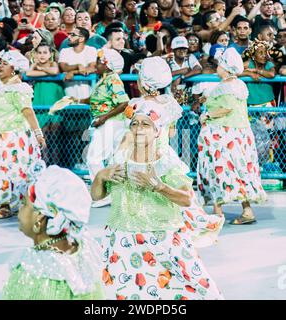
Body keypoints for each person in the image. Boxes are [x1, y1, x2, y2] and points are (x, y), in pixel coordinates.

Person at [91, 60, 224, 299]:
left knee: (166, 202)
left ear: (143, 81)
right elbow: (170, 133)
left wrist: (123, 156)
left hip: (148, 154)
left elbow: (132, 134)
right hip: (155, 150)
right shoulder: (170, 104)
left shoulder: (136, 105)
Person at [3, 164, 105, 300]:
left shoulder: (34, 271)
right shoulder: (85, 257)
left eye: (25, 204)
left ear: (40, 217)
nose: (20, 210)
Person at [197, 47, 267, 225]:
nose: (217, 68)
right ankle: (246, 209)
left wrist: (207, 115)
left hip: (223, 134)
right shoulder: (240, 85)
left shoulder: (225, 86)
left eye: (219, 65)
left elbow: (225, 108)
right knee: (240, 169)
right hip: (240, 133)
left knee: (219, 169)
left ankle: (218, 212)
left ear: (226, 68)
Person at [0, 50, 45, 227]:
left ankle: (11, 205)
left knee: (12, 172)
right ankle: (4, 203)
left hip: (12, 137)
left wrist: (38, 133)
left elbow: (28, 111)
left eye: (4, 63)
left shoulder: (19, 89)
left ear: (14, 68)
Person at [86, 48, 130, 207]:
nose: (96, 64)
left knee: (93, 158)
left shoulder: (112, 79)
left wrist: (104, 118)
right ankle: (113, 192)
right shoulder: (104, 79)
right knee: (110, 159)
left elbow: (124, 102)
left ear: (107, 64)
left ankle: (103, 194)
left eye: (99, 61)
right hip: (106, 122)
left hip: (109, 122)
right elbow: (96, 100)